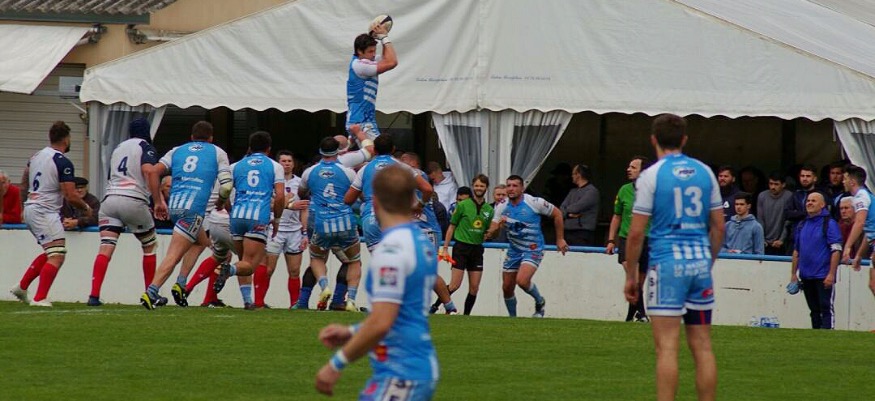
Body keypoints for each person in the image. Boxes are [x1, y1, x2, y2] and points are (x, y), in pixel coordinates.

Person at [315, 165, 439, 399]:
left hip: (402, 371)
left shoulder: (391, 250)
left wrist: (336, 364)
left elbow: (382, 322)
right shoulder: (420, 242)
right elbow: (400, 314)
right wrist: (351, 331)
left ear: (374, 202)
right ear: (412, 201)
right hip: (413, 365)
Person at [624, 113, 723, 401]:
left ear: (653, 139)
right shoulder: (705, 172)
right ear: (684, 139)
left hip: (667, 266)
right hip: (699, 265)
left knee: (667, 347)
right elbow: (719, 227)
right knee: (702, 345)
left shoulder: (651, 176)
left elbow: (636, 233)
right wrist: (708, 262)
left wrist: (631, 276)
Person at [140, 121, 231, 310]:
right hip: (193, 210)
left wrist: (158, 201)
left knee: (201, 242)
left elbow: (153, 172)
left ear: (191, 137)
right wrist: (222, 202)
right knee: (174, 254)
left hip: (175, 206)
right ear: (211, 138)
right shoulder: (217, 152)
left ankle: (181, 283)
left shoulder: (177, 150)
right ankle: (151, 292)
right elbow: (226, 186)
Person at [344, 134, 434, 311]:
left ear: (374, 150)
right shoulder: (402, 168)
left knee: (381, 263)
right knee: (400, 262)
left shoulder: (365, 169)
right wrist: (419, 205)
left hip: (371, 218)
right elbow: (427, 188)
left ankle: (378, 305)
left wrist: (365, 197)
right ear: (393, 149)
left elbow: (348, 199)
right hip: (396, 218)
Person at [10, 121, 93, 306]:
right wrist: (86, 208)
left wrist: (23, 207)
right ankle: (40, 298)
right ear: (66, 139)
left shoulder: (35, 157)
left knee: (51, 252)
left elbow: (24, 183)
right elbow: (70, 195)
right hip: (44, 211)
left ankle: (22, 287)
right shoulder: (62, 161)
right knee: (57, 255)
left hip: (32, 207)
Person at [87, 118, 164, 306]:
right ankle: (150, 294)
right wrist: (157, 200)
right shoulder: (145, 147)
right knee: (149, 245)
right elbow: (149, 171)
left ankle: (94, 295)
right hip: (132, 199)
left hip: (110, 200)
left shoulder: (118, 148)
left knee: (106, 247)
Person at [213, 131, 286, 299]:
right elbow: (280, 196)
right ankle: (229, 269)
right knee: (250, 265)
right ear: (269, 149)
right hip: (257, 217)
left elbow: (225, 191)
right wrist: (277, 219)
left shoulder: (235, 166)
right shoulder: (275, 166)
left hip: (237, 217)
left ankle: (247, 301)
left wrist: (230, 210)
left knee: (243, 259)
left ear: (250, 147)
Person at [485, 175, 568, 318]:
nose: (511, 189)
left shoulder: (535, 202)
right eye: (508, 185)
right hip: (514, 249)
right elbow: (493, 231)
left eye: (515, 186)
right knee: (507, 288)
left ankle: (540, 301)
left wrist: (560, 239)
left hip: (533, 248)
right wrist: (494, 229)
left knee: (522, 281)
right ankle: (513, 319)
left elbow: (557, 214)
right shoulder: (501, 206)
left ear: (522, 188)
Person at [295, 137, 362, 311]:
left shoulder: (309, 172)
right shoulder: (348, 172)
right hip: (344, 222)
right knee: (353, 260)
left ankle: (323, 287)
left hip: (320, 222)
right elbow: (357, 194)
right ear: (338, 151)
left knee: (317, 259)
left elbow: (301, 193)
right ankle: (350, 300)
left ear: (320, 151)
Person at [337, 25, 397, 168]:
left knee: (379, 157)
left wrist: (381, 39)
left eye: (374, 51)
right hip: (360, 121)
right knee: (380, 155)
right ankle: (343, 166)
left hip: (363, 119)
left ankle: (352, 165)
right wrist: (384, 37)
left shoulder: (364, 61)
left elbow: (387, 57)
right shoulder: (360, 65)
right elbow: (392, 62)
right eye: (370, 51)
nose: (373, 54)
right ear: (359, 51)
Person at [259, 150, 309, 308]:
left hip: (294, 231)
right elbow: (267, 204)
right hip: (275, 230)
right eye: (283, 161)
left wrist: (305, 232)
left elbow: (304, 209)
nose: (286, 164)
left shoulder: (300, 184)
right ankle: (259, 301)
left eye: (289, 161)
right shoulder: (271, 182)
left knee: (294, 271)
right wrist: (289, 204)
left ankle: (295, 304)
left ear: (293, 164)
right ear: (278, 164)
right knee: (268, 269)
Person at [440, 174, 493, 315]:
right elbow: (452, 226)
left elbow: (487, 231)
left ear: (486, 188)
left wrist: (491, 233)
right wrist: (445, 248)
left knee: (474, 287)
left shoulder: (489, 209)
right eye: (477, 185)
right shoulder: (463, 205)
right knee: (455, 285)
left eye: (482, 186)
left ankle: (466, 316)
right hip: (461, 247)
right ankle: (435, 306)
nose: (479, 188)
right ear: (473, 187)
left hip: (477, 249)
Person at [605, 156, 650, 322]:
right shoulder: (624, 190)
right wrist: (611, 240)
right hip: (627, 239)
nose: (628, 169)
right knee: (634, 278)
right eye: (629, 166)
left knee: (639, 283)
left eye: (633, 167)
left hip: (647, 239)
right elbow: (617, 216)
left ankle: (630, 316)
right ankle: (642, 314)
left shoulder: (654, 192)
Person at [789, 192, 841, 329]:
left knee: (825, 307)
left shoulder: (829, 224)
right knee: (813, 310)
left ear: (822, 204)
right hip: (806, 276)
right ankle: (816, 334)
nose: (809, 203)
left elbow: (836, 250)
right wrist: (794, 274)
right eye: (808, 201)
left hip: (823, 275)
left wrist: (831, 274)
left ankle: (828, 334)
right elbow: (797, 251)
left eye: (813, 201)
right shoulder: (802, 224)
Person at [840, 164, 875, 296]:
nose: (843, 182)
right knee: (873, 285)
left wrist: (848, 246)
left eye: (845, 178)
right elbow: (869, 231)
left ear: (852, 181)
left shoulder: (861, 197)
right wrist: (859, 255)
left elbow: (859, 223)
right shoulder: (864, 196)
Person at [560, 163, 599, 245]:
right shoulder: (572, 191)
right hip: (568, 231)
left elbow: (577, 207)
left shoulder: (592, 191)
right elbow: (561, 208)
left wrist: (566, 211)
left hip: (582, 233)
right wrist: (568, 214)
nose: (572, 176)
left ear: (578, 175)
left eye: (573, 174)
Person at [756, 171, 792, 255]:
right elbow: (760, 219)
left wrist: (782, 239)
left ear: (783, 185)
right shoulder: (762, 196)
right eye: (771, 184)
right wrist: (761, 239)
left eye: (776, 184)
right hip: (764, 242)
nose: (773, 187)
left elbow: (788, 220)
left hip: (781, 243)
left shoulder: (789, 196)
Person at [785, 165, 820, 248]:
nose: (804, 178)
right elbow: (787, 214)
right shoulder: (796, 195)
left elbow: (819, 214)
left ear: (815, 178)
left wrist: (797, 213)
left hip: (814, 237)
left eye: (808, 176)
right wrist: (805, 213)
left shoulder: (821, 195)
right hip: (795, 237)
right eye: (802, 176)